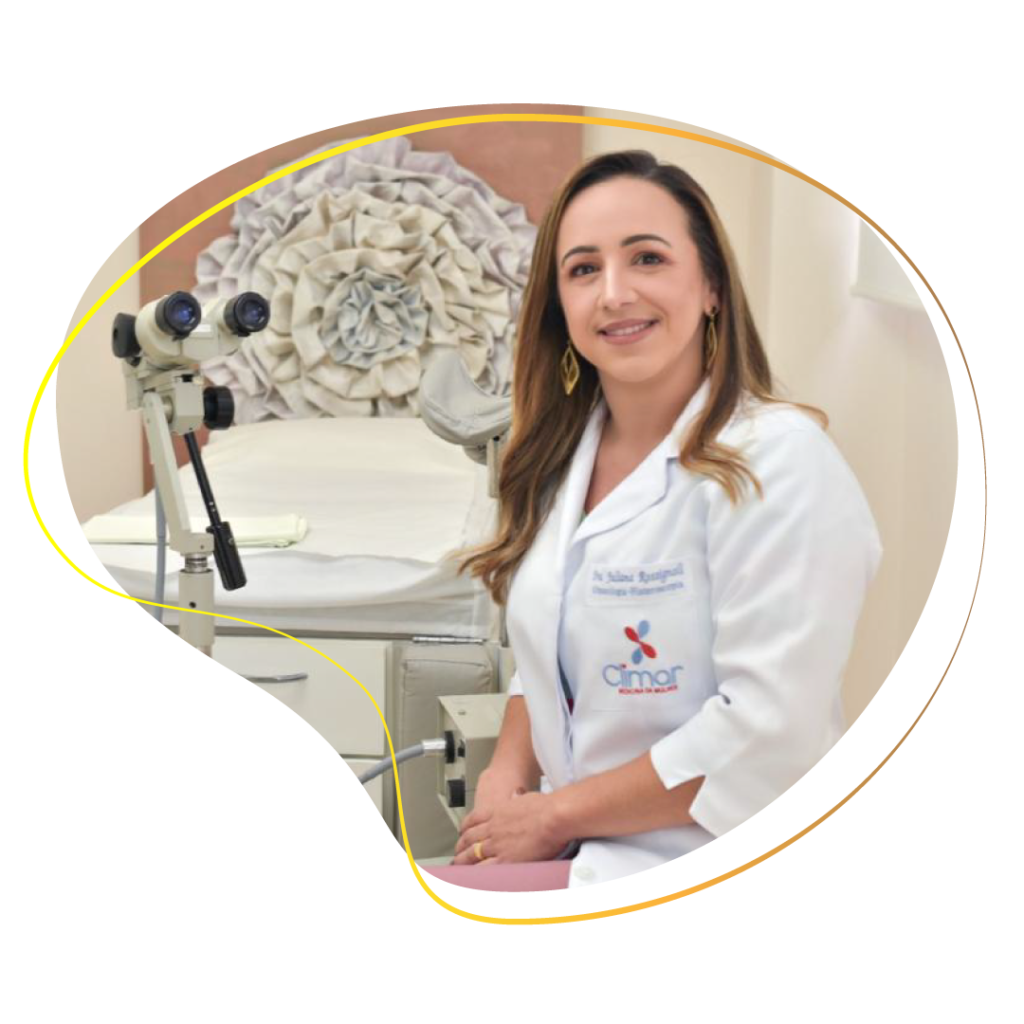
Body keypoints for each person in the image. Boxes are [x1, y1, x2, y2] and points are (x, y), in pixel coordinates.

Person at [453, 150, 883, 888]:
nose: (614, 293)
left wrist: (554, 816)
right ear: (558, 305)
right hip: (580, 847)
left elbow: (766, 731)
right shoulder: (556, 460)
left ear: (711, 285)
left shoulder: (779, 463)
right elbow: (549, 649)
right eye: (583, 269)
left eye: (647, 258)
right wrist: (505, 773)